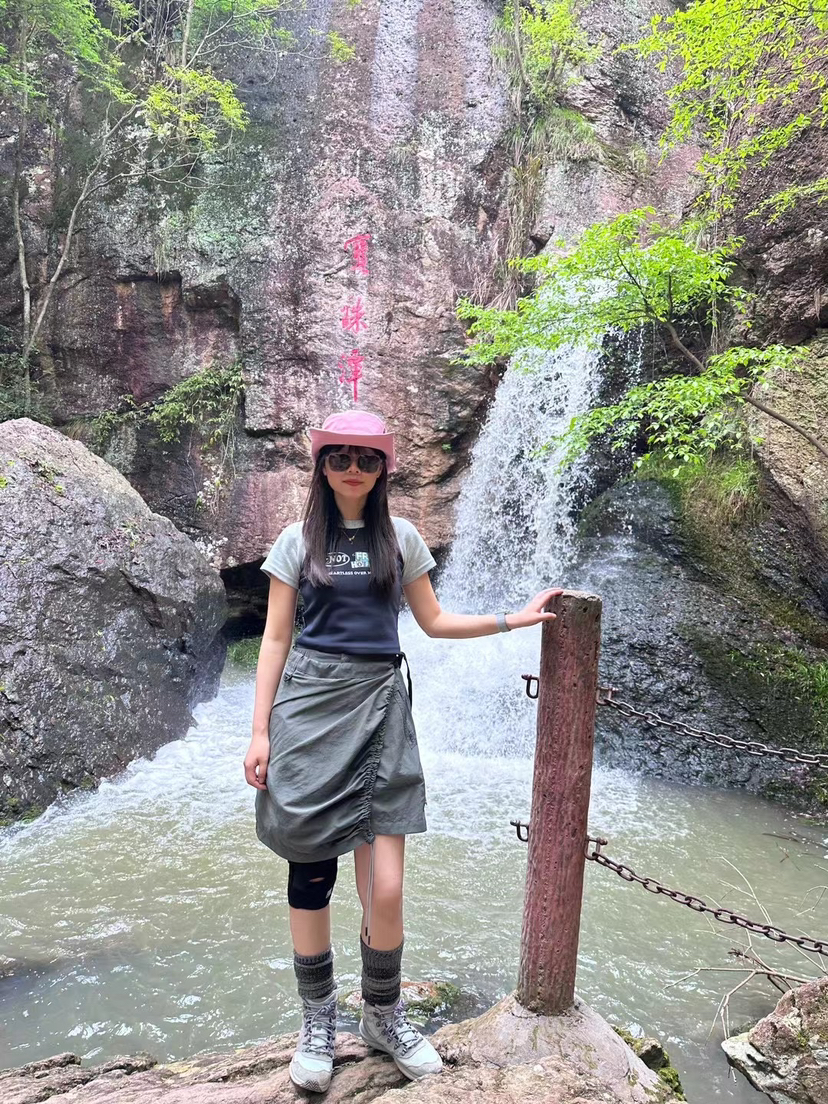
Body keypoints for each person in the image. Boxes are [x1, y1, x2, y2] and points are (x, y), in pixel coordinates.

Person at [244, 410, 561, 1094]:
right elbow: (274, 639)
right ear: (322, 466)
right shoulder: (297, 541)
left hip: (382, 706)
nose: (353, 469)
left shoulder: (402, 538)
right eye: (340, 457)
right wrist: (260, 731)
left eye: (367, 459)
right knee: (311, 875)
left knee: (385, 888)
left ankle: (382, 1016)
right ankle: (317, 1023)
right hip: (309, 710)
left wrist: (514, 619)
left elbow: (434, 622)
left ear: (383, 469)